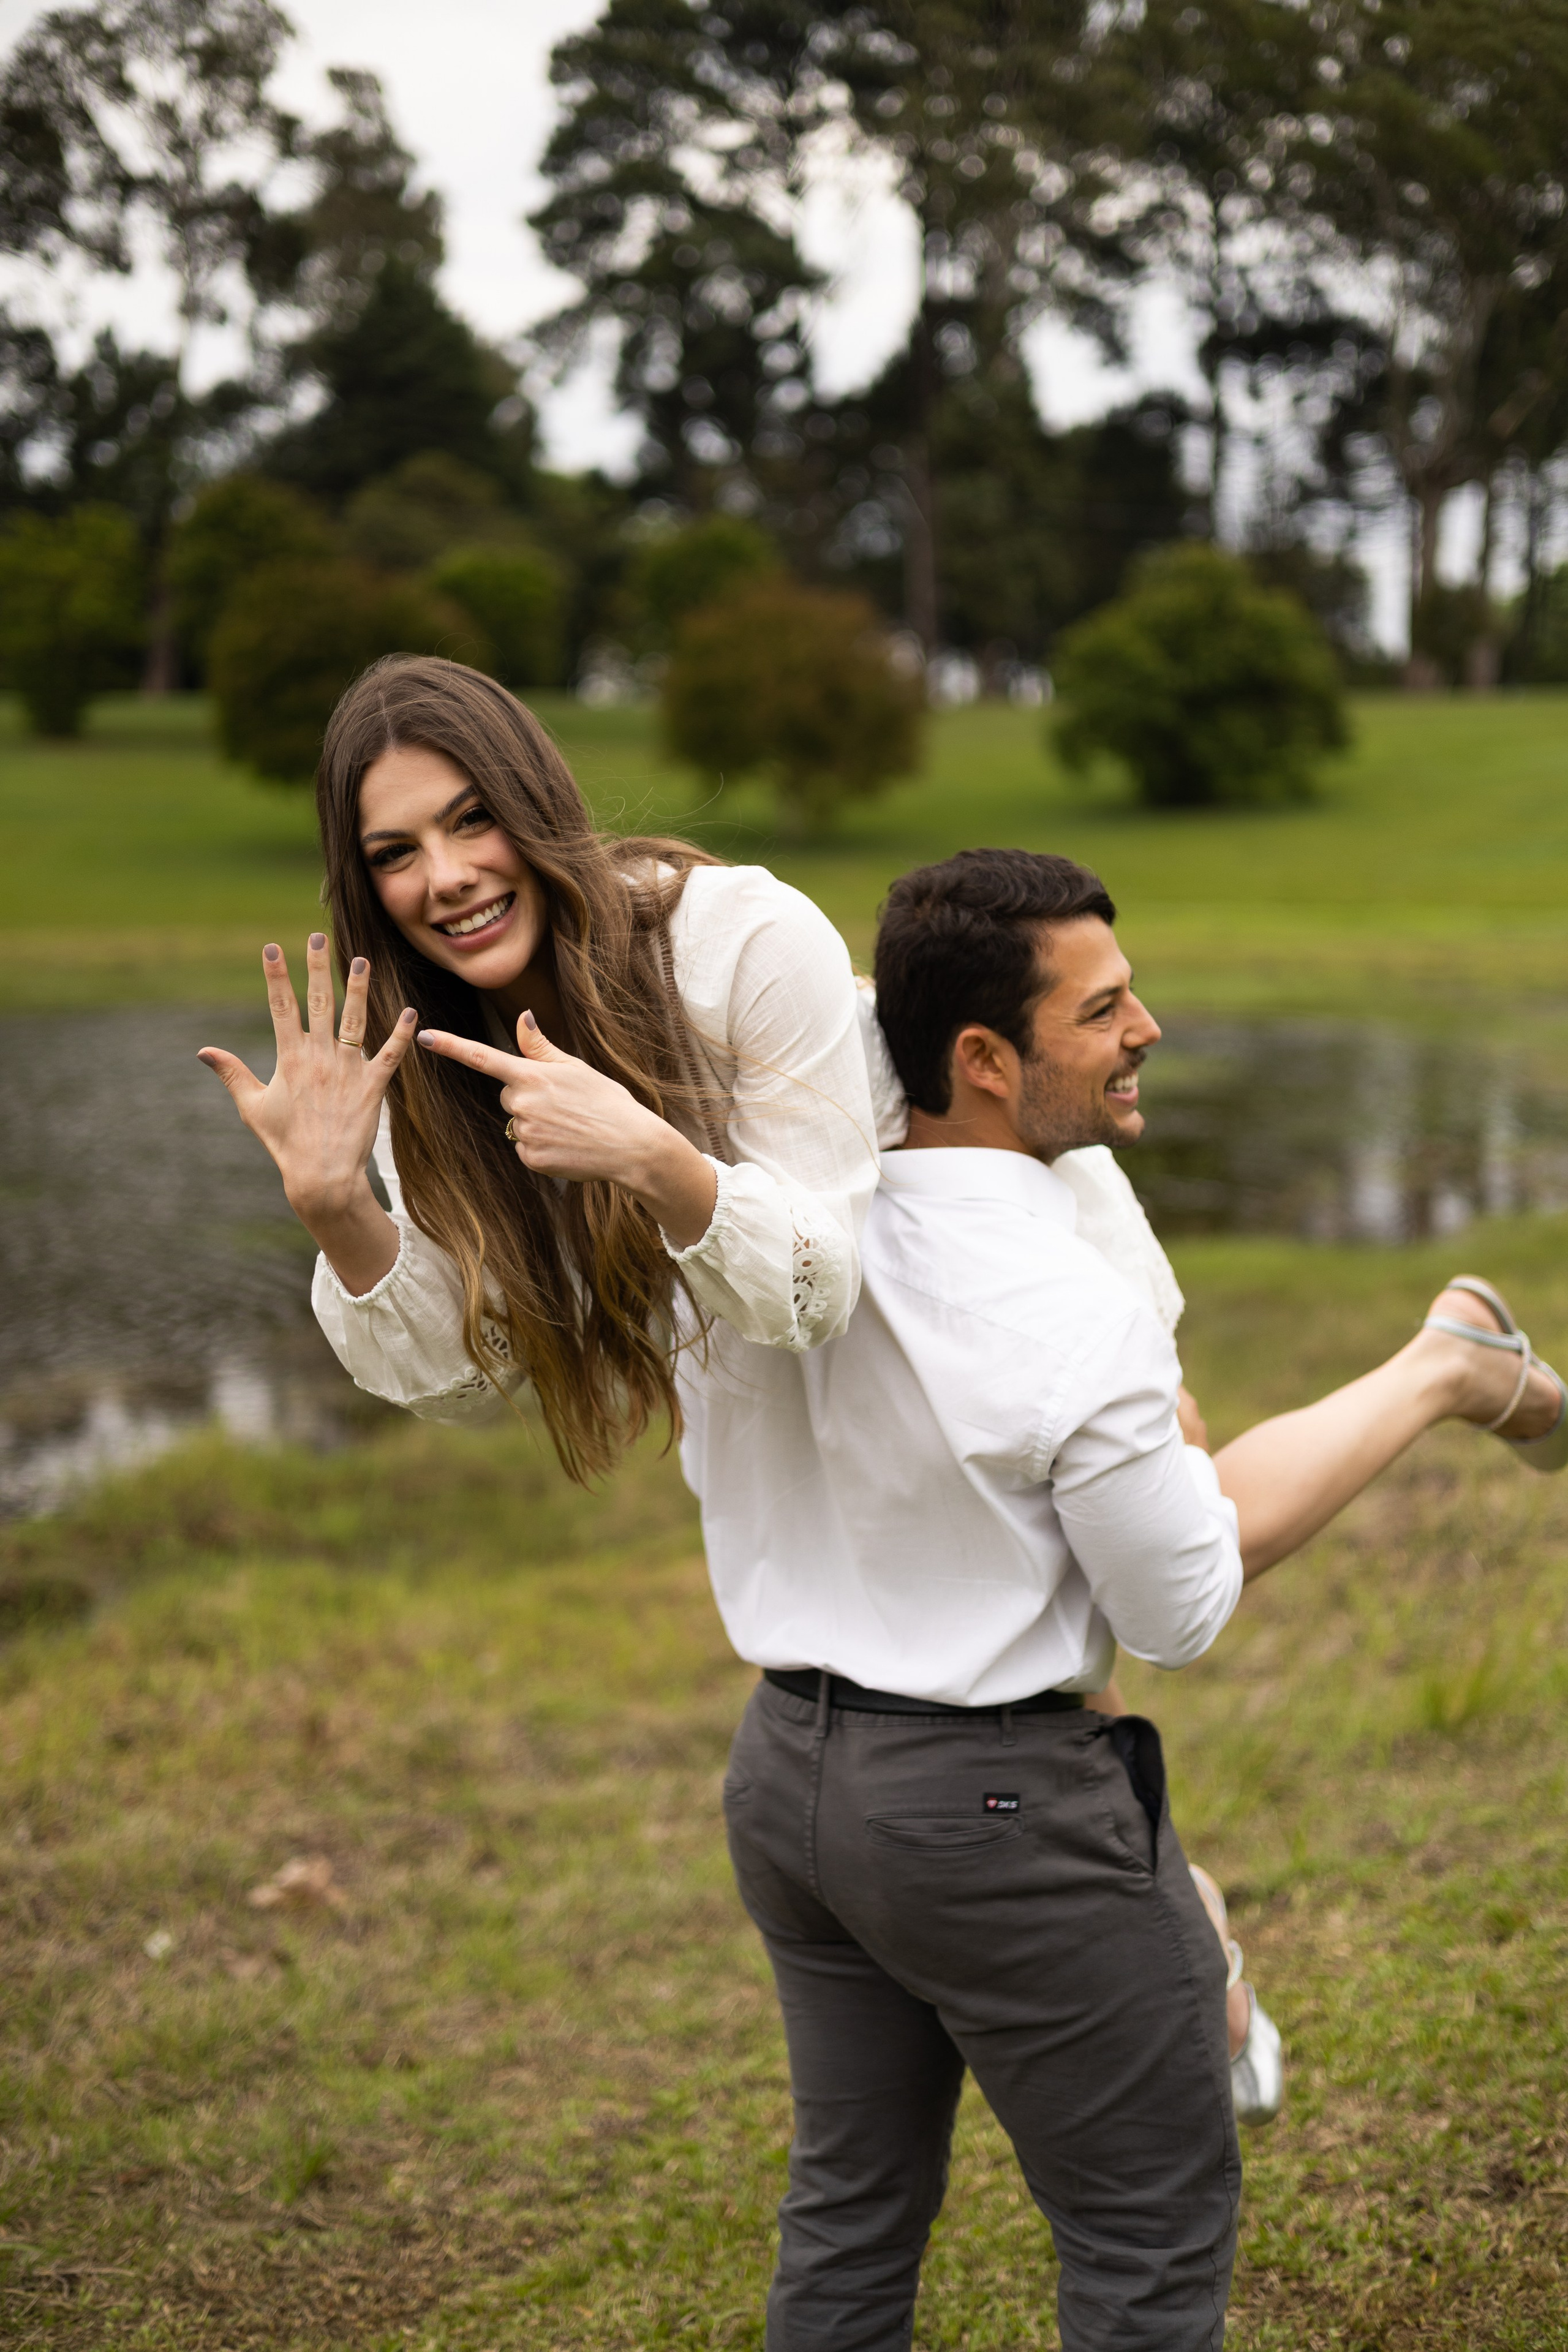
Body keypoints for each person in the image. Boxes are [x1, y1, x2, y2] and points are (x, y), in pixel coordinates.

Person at [710, 847, 1565, 2352]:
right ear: (981, 1059)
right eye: (1103, 1008)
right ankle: (1445, 1366)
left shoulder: (767, 1233)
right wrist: (1162, 1466)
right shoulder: (1062, 1304)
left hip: (786, 1781)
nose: (1146, 1026)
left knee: (847, 2216)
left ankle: (1446, 1365)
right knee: (1145, 2236)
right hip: (987, 1820)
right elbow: (1177, 1613)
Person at [197, 655, 882, 1482]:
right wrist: (336, 1210)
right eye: (394, 853)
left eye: (475, 818)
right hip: (758, 1374)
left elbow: (821, 1284)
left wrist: (649, 1156)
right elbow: (476, 1375)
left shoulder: (745, 941)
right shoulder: (411, 1053)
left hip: (941, 1250)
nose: (447, 879)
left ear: (537, 802)